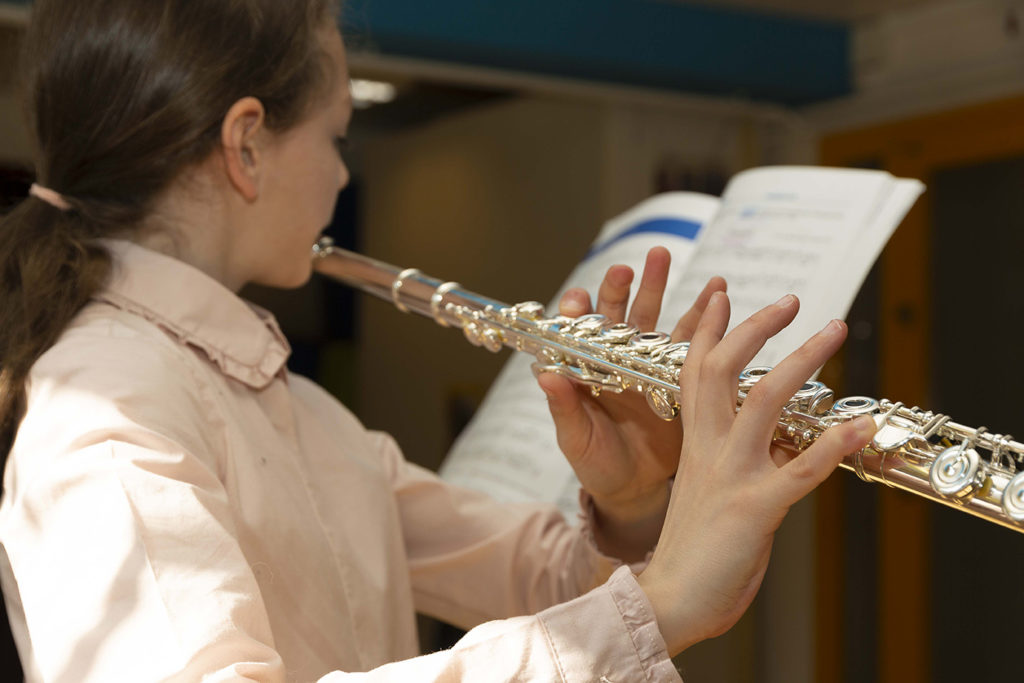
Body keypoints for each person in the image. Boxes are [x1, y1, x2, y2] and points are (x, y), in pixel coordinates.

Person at [0, 1, 878, 681]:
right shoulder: (105, 405)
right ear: (246, 147)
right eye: (337, 136)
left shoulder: (288, 403)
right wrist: (662, 602)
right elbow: (620, 624)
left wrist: (638, 504)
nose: (343, 173)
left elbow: (542, 586)